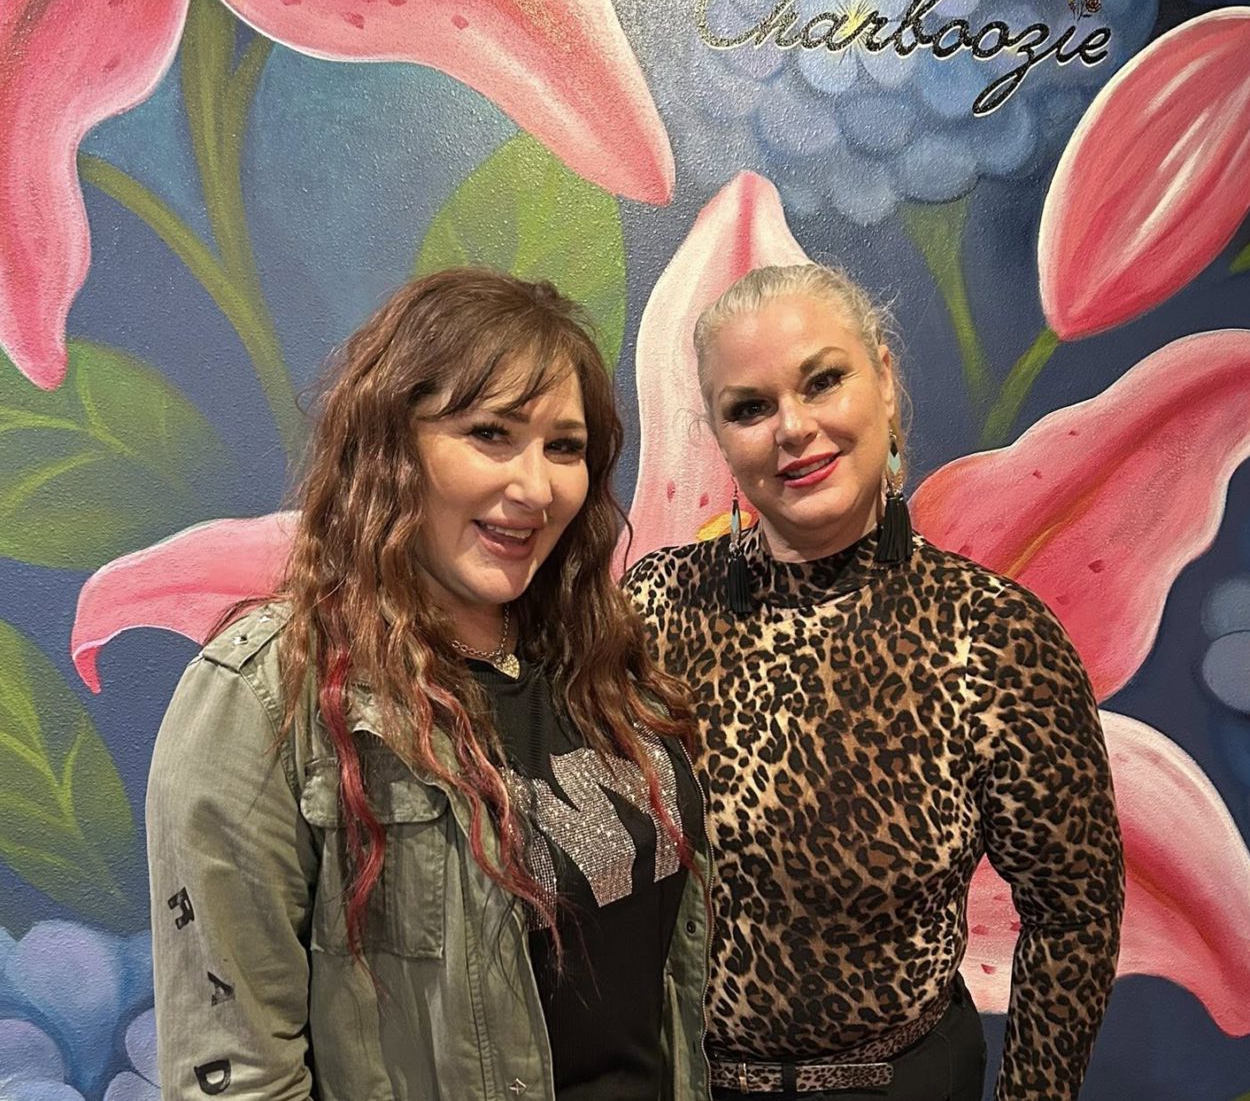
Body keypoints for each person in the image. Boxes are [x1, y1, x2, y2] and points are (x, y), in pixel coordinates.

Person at [147, 269, 712, 1101]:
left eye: (564, 447)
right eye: (490, 434)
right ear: (392, 445)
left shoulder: (597, 661)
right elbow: (238, 1078)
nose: (535, 487)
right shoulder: (267, 696)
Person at [623, 263, 1124, 1101]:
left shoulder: (993, 636)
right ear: (719, 436)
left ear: (885, 383)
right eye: (750, 408)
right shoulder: (654, 606)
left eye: (823, 381)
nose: (793, 427)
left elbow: (1074, 911)